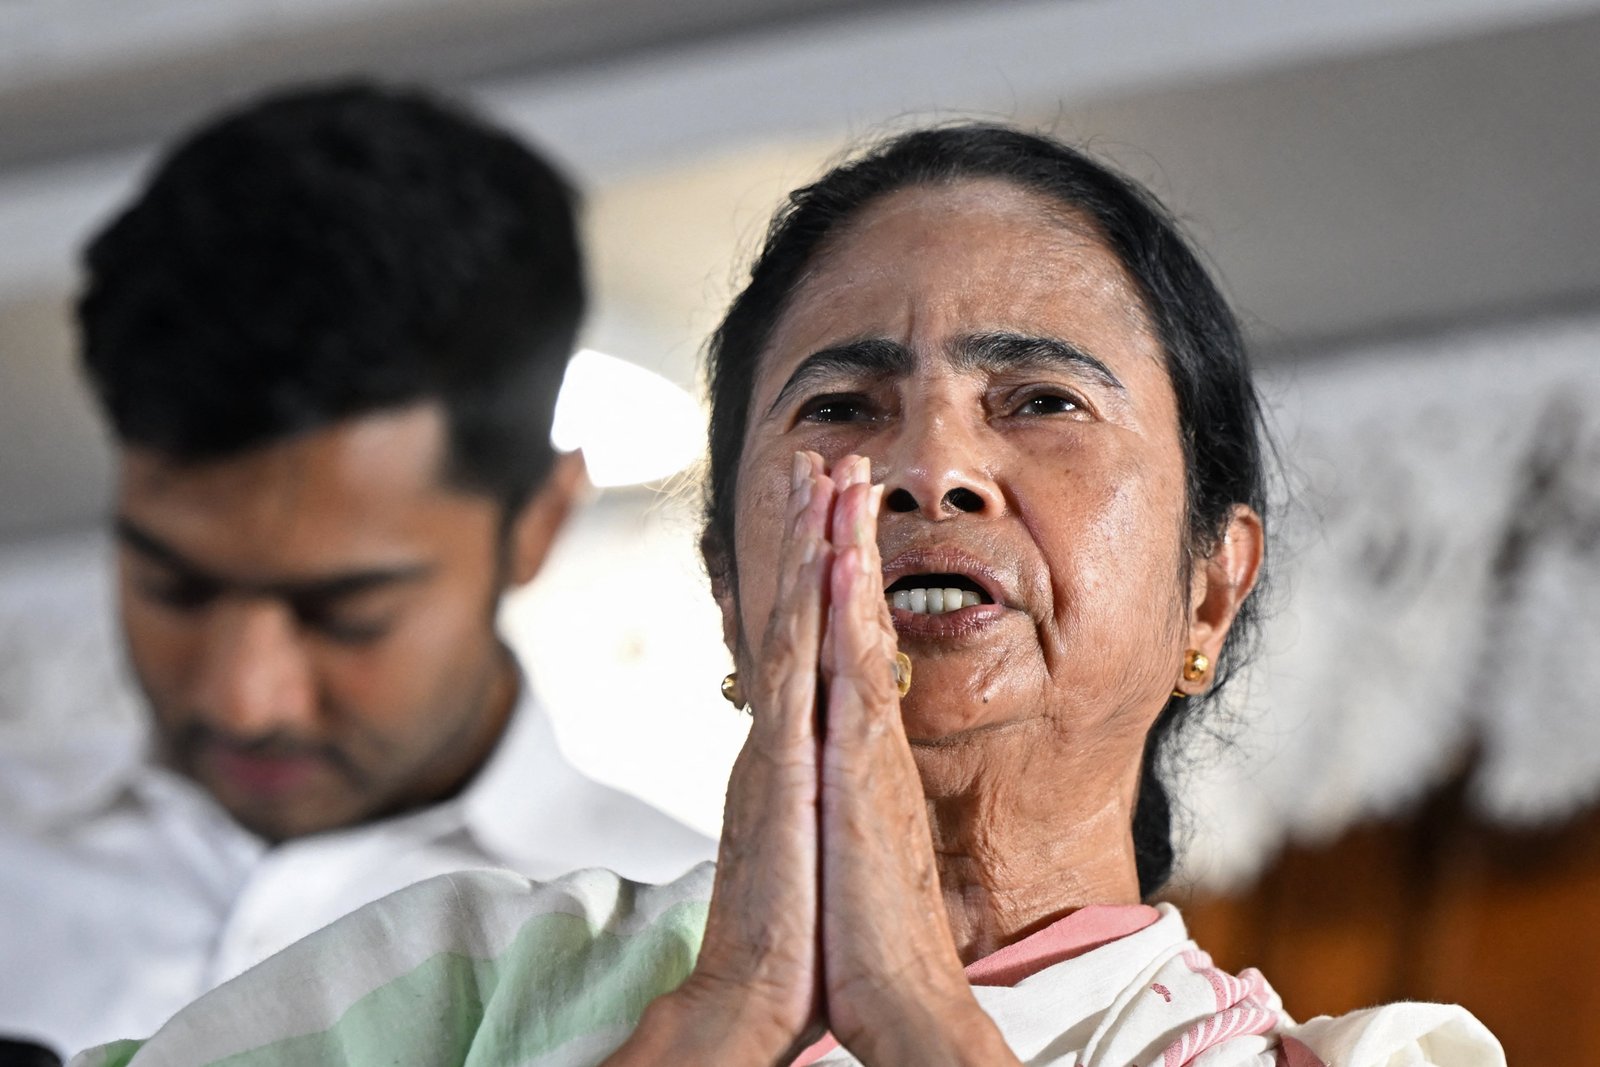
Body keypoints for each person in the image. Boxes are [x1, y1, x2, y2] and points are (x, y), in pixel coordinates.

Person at [69, 125, 1504, 1066]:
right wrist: (724, 1010)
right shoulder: (456, 981)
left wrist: (922, 1019)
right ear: (725, 586)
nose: (931, 465)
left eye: (1041, 398)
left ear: (1211, 590)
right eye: (843, 402)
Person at [0, 83, 712, 1061]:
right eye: (174, 586)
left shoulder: (694, 953)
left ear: (538, 523)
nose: (246, 696)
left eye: (347, 614)